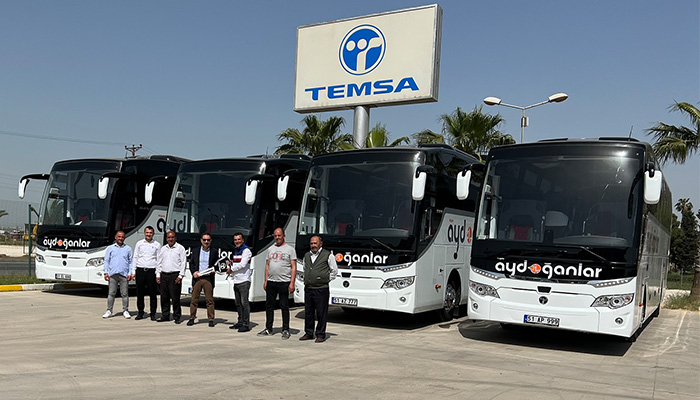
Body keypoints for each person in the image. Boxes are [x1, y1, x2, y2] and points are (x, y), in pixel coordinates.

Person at [258, 228, 296, 339]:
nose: (277, 238)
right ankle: (268, 328)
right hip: (271, 282)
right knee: (269, 306)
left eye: (279, 235)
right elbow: (267, 266)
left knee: (284, 306)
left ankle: (285, 329)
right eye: (275, 236)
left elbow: (293, 267)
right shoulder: (270, 249)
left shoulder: (290, 249)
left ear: (284, 236)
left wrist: (292, 282)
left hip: (284, 282)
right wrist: (266, 280)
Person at [299, 235, 338, 343]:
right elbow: (305, 268)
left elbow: (334, 271)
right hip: (309, 288)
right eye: (311, 243)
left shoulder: (328, 255)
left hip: (321, 288)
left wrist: (324, 279)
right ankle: (309, 333)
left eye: (315, 243)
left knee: (321, 312)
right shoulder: (307, 255)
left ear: (320, 244)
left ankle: (320, 334)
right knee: (308, 312)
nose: (313, 245)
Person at [187, 232, 219, 327]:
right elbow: (191, 263)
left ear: (211, 241)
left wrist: (214, 270)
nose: (206, 242)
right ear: (201, 240)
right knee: (194, 300)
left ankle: (211, 319)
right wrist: (193, 272)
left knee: (209, 300)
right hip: (198, 278)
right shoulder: (196, 250)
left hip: (208, 278)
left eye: (208, 240)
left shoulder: (214, 251)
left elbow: (217, 264)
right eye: (204, 240)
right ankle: (192, 318)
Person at [156, 230, 187, 323]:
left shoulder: (180, 248)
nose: (171, 239)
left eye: (172, 237)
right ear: (166, 239)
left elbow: (183, 263)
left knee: (175, 298)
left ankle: (177, 317)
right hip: (164, 275)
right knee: (164, 297)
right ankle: (165, 315)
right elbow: (159, 262)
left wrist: (180, 276)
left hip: (175, 275)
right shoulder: (163, 249)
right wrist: (158, 275)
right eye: (169, 237)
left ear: (175, 238)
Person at [102, 230, 134, 319]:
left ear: (125, 238)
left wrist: (130, 273)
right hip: (113, 274)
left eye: (122, 237)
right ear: (115, 237)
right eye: (119, 237)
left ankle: (125, 310)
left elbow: (131, 262)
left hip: (124, 274)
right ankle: (109, 310)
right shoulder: (110, 248)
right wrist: (106, 272)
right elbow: (107, 261)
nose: (120, 238)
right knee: (111, 293)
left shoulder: (128, 249)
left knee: (124, 293)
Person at [131, 226, 161, 321]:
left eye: (150, 233)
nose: (148, 234)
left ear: (153, 234)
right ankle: (140, 312)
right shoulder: (139, 243)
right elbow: (135, 257)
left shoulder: (157, 245)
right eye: (147, 232)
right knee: (140, 293)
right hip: (140, 270)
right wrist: (133, 271)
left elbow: (159, 260)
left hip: (151, 271)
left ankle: (153, 314)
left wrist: (158, 274)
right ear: (144, 233)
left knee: (153, 294)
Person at [227, 232, 252, 332]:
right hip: (236, 280)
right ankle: (240, 322)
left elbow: (242, 264)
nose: (237, 241)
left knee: (244, 303)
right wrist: (230, 263)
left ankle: (246, 324)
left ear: (243, 240)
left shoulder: (246, 251)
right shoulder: (236, 251)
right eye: (235, 240)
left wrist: (231, 269)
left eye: (239, 239)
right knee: (238, 303)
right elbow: (236, 263)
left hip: (244, 280)